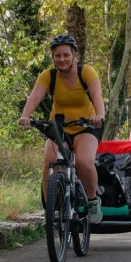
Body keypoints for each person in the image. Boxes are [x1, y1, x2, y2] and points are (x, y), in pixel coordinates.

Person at [19, 33, 106, 223]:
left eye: (66, 55)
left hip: (86, 125)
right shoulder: (48, 76)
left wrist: (99, 115)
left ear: (75, 55)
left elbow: (97, 96)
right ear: (53, 57)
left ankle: (92, 201)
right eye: (57, 55)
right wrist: (25, 115)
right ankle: (51, 206)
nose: (62, 59)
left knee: (83, 161)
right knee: (50, 159)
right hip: (58, 126)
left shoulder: (87, 72)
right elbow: (35, 97)